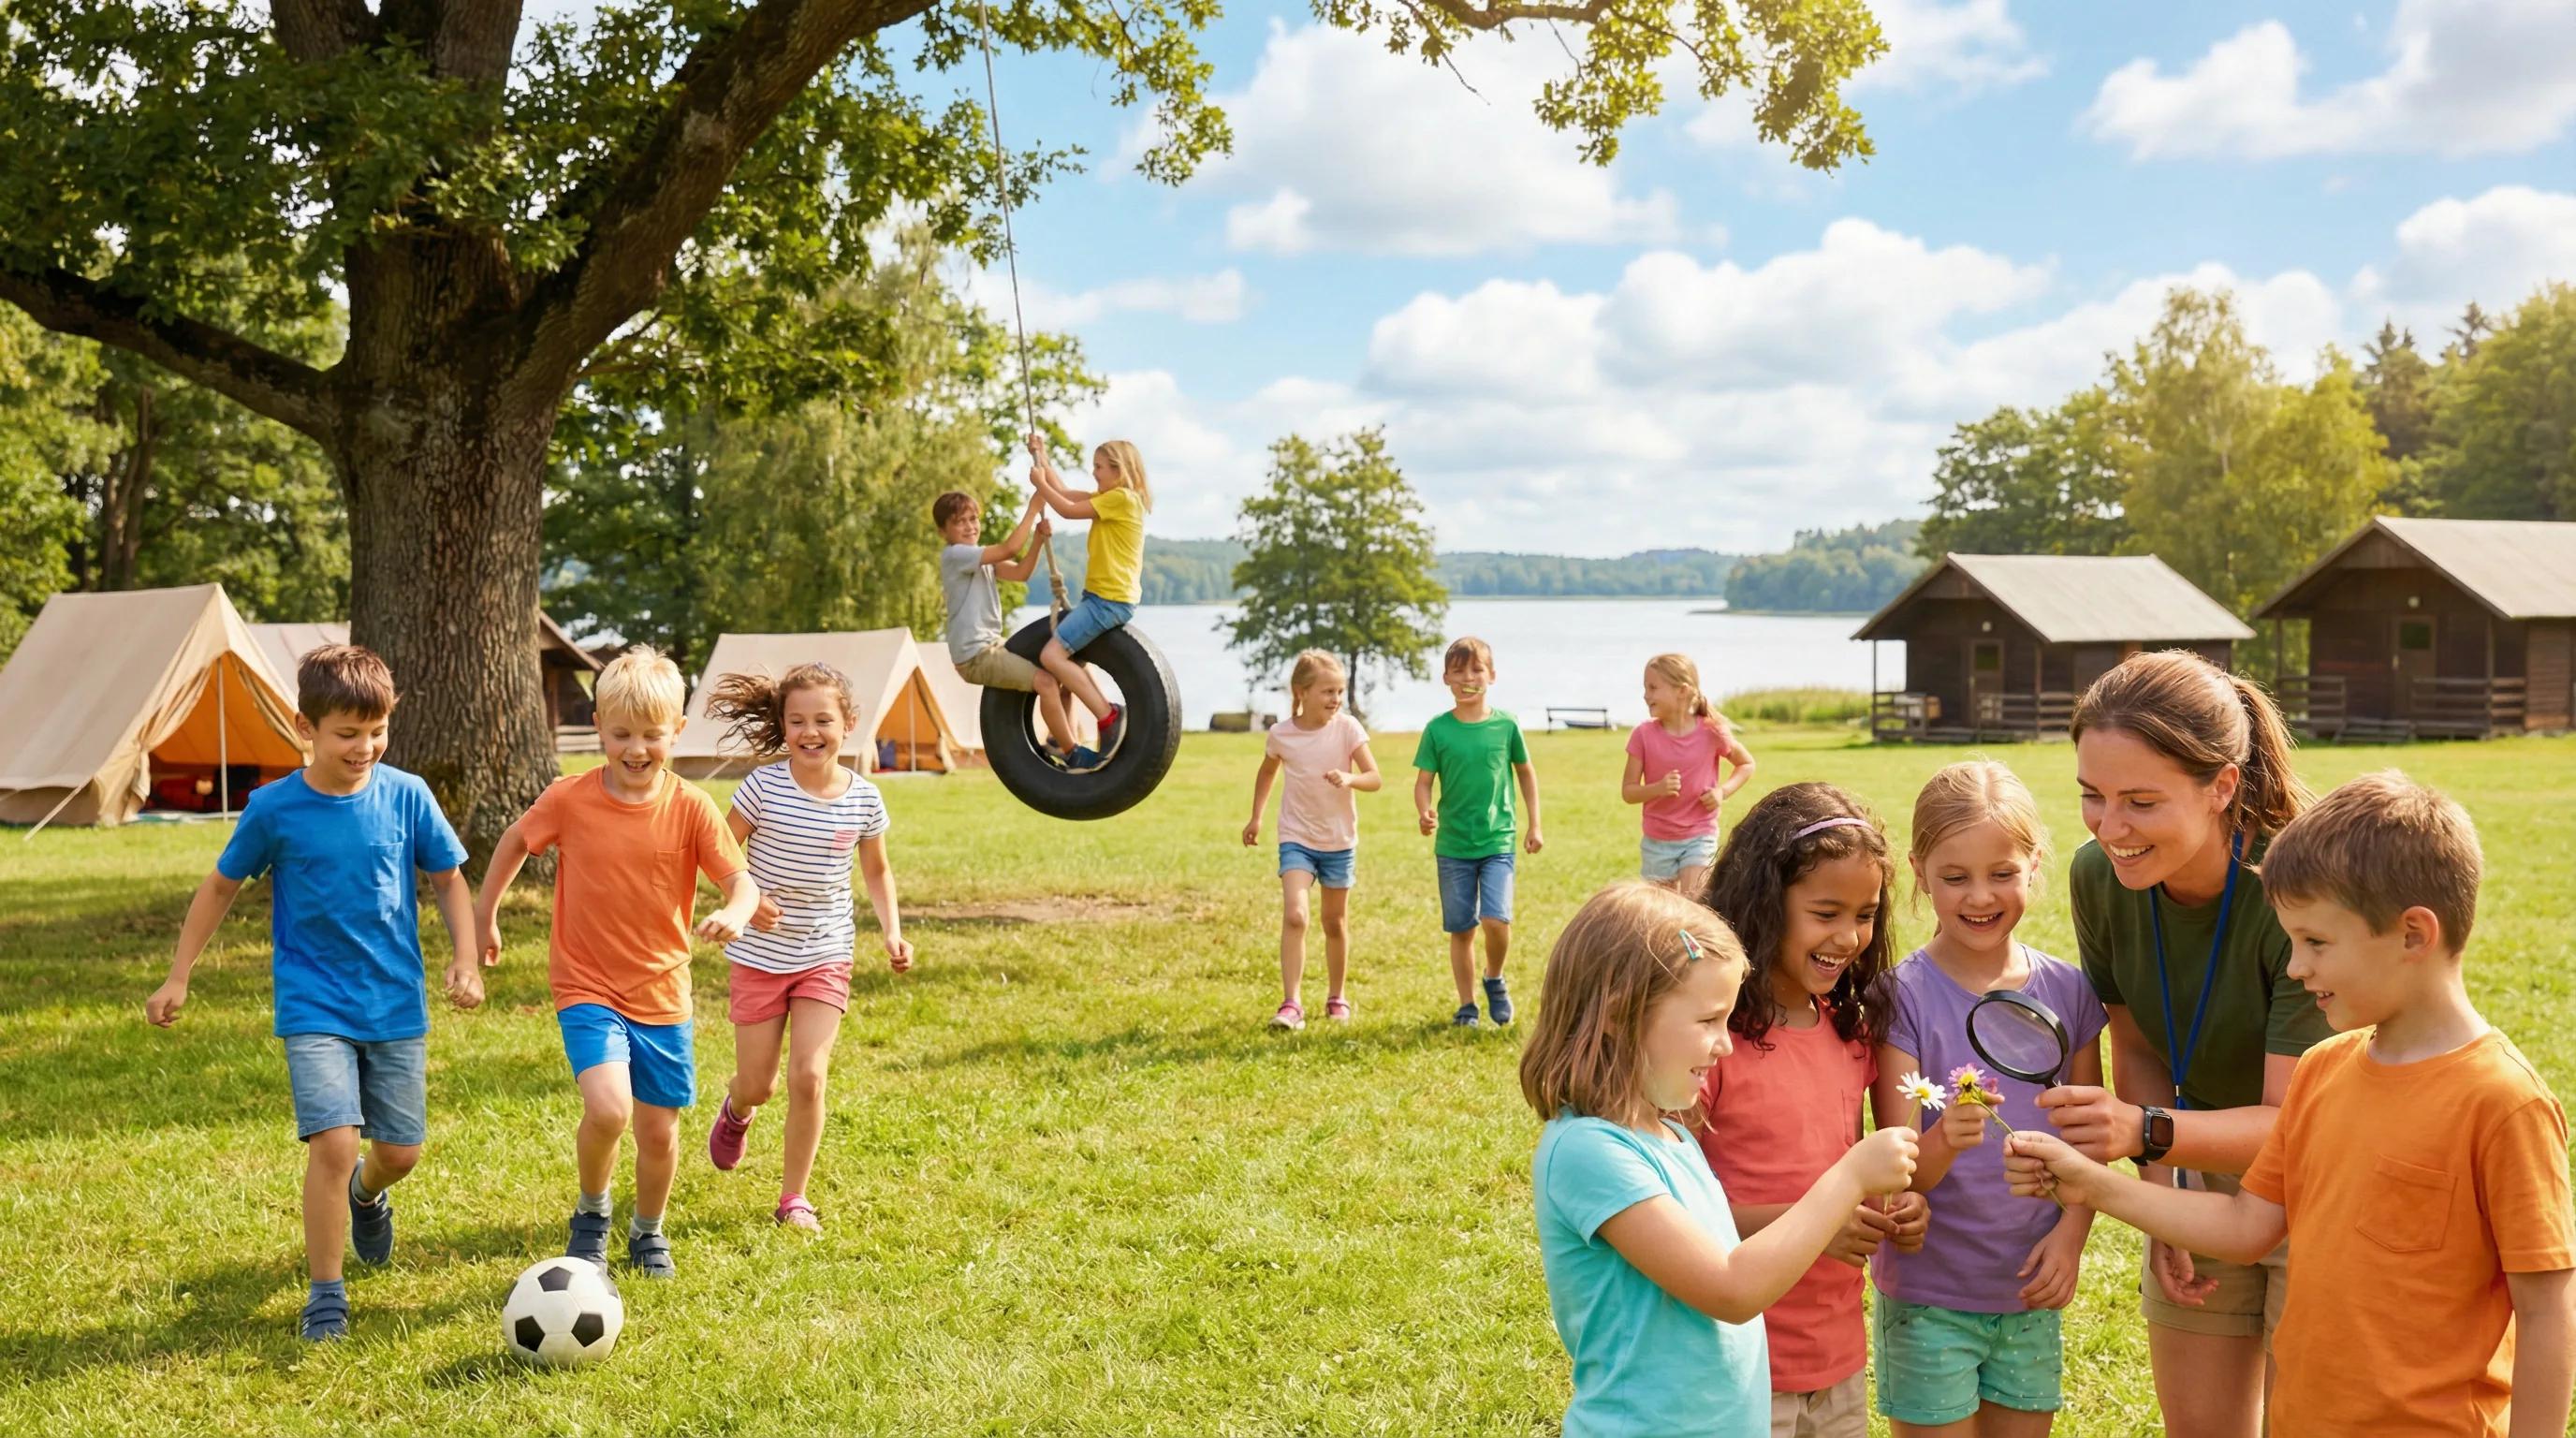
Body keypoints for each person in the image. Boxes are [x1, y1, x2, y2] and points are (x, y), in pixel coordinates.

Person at [2007, 770, 2576, 1438]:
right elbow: (2246, 1226)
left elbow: (2546, 1309)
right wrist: (2091, 1183)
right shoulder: (2322, 1072)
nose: (2298, 967)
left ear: (2413, 934)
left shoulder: (2503, 1103)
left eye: (2316, 943)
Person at [2031, 650, 2330, 1437]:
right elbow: (2139, 1048)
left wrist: (2144, 1132)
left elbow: (2294, 1124)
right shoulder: (2100, 877)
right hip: (2195, 1162)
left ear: (2222, 786)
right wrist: (2166, 1200)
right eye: (2093, 796)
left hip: (2326, 1185)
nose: (2110, 828)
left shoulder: (2301, 886)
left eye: (2140, 802)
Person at [143, 644, 479, 1342]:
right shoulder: (274, 808)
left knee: (399, 1154)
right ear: (306, 727)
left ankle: (367, 1194)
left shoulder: (408, 795)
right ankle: (327, 1293)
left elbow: (448, 877)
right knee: (334, 1141)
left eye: (377, 731)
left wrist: (465, 959)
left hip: (394, 1003)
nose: (365, 748)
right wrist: (179, 974)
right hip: (313, 1003)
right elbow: (220, 887)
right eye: (347, 733)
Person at [1523, 880, 1921, 1438]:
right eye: (1708, 1021)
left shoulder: (1672, 1137)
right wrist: (1849, 1177)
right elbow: (1732, 1290)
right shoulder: (1589, 1151)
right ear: (1620, 1013)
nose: (1725, 1043)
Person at [474, 645, 760, 1278]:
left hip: (662, 993)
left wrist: (737, 913)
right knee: (608, 1109)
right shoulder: (569, 799)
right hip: (586, 984)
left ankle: (648, 1230)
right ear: (598, 726)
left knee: (658, 1134)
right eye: (622, 733)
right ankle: (592, 1213)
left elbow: (741, 882)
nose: (636, 749)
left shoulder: (691, 807)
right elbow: (515, 841)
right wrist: (484, 914)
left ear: (677, 731)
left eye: (652, 735)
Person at [1869, 761, 2106, 1437]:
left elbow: (2090, 1143)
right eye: (1955, 877)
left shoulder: (2069, 992)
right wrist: (1948, 1135)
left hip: (2030, 1286)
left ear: (2034, 865)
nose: (1980, 896)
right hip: (1930, 1297)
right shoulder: (1901, 997)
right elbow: (1899, 1176)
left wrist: (2071, 1237)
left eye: (2002, 873)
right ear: (1919, 872)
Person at [1695, 783, 1917, 1437]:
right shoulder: (1710, 1045)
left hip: (1837, 1360)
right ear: (1765, 902)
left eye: (1865, 914)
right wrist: (1820, 1221)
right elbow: (1677, 1213)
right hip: (1737, 1364)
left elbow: (1849, 1171)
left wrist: (1895, 1209)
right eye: (1825, 913)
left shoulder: (1851, 1034)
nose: (1848, 937)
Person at [697, 661, 913, 1233]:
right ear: (784, 725)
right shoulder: (763, 787)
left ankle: (794, 1197)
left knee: (809, 1077)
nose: (810, 732)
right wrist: (747, 898)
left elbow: (877, 871)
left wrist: (891, 930)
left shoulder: (864, 799)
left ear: (848, 724)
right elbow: (720, 851)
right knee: (759, 1084)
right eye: (797, 721)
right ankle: (737, 1109)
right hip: (760, 955)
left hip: (826, 951)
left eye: (823, 720)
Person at [1240, 650, 1380, 1030]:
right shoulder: (1281, 735)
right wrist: (1256, 817)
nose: (1336, 699)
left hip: (1339, 841)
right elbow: (1267, 772)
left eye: (1340, 691)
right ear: (1301, 692)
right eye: (1328, 691)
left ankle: (1337, 997)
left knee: (1334, 922)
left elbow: (1375, 778)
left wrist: (1350, 778)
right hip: (1296, 837)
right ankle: (1292, 1004)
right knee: (1295, 915)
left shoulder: (1348, 728)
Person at [1412, 637, 1543, 1028]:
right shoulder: (1438, 730)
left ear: (1492, 676)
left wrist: (1534, 823)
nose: (1468, 678)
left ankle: (1494, 977)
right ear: (1446, 678)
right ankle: (1467, 1005)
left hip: (1497, 840)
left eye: (1476, 670)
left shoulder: (1506, 725)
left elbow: (1525, 774)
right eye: (1459, 671)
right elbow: (1423, 782)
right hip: (1453, 845)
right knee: (1462, 929)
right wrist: (1425, 811)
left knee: (1496, 920)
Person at [1023, 433, 1150, 769]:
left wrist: (1039, 484)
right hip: (1101, 598)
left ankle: (1107, 715)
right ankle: (1070, 736)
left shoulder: (1122, 499)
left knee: (1051, 656)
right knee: (1066, 659)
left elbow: (1066, 510)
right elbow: (1065, 493)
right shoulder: (1113, 498)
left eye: (1099, 467)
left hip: (1108, 600)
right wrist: (1042, 456)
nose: (1094, 473)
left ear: (1119, 470)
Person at [933, 488, 1081, 765]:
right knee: (1046, 682)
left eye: (973, 519)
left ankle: (1058, 739)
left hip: (993, 646)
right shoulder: (956, 555)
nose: (970, 526)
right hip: (975, 655)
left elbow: (1020, 572)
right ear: (944, 532)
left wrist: (1037, 541)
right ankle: (1073, 753)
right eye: (960, 522)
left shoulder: (981, 559)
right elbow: (1009, 548)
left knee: (1065, 667)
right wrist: (1033, 509)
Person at [1621, 653, 1754, 895]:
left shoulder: (1712, 731)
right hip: (1657, 842)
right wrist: (1658, 789)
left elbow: (1746, 764)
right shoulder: (1643, 735)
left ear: (1681, 691)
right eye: (1645, 688)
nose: (1645, 695)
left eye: (1653, 688)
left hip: (1699, 835)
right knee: (1662, 909)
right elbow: (1628, 792)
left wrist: (1722, 792)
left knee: (1695, 900)